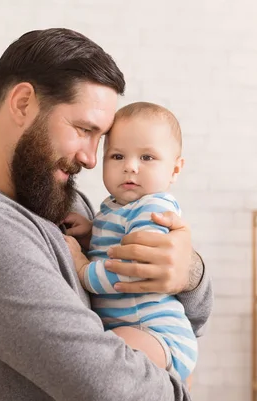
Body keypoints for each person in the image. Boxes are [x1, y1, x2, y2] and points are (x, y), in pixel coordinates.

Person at [0, 28, 213, 401]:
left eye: (99, 139)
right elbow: (112, 388)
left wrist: (188, 272)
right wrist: (179, 389)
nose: (92, 159)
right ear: (24, 103)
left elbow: (194, 318)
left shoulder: (61, 199)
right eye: (82, 129)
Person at [64, 101, 197, 388]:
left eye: (147, 157)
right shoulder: (114, 207)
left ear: (175, 169)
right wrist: (90, 234)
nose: (130, 167)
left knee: (98, 362)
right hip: (135, 329)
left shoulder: (154, 207)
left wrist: (82, 266)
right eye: (117, 156)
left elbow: (133, 268)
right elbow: (115, 245)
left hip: (158, 334)